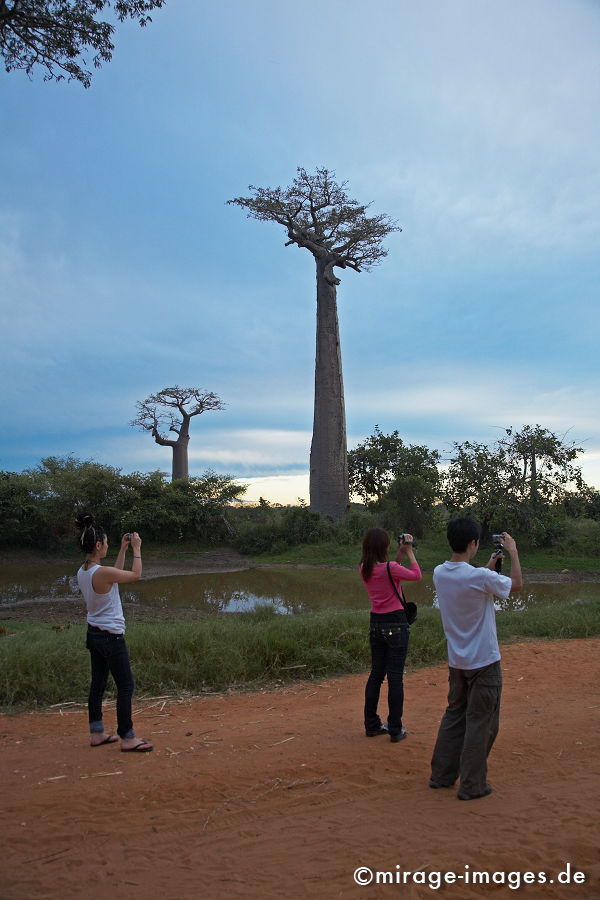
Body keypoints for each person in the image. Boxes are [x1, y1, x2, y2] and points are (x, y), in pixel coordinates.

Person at [430, 517, 522, 800]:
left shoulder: (439, 573)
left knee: (454, 716)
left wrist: (486, 569)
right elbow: (516, 584)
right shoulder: (480, 578)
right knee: (481, 723)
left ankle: (442, 775)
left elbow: (467, 579)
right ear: (473, 543)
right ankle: (472, 785)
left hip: (457, 662)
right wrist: (513, 552)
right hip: (484, 662)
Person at [76, 512, 153, 753]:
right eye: (107, 543)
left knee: (97, 684)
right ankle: (128, 738)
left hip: (94, 635)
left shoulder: (85, 571)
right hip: (111, 637)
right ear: (98, 545)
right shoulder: (102, 573)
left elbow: (113, 577)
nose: (107, 545)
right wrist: (137, 549)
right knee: (126, 686)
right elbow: (135, 575)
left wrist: (122, 549)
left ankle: (97, 733)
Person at [360, 527, 422, 742]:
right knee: (395, 677)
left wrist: (400, 554)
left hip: (376, 624)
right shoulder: (390, 568)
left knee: (376, 675)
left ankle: (371, 724)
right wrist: (410, 551)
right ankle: (395, 729)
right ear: (384, 547)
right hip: (396, 624)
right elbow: (416, 575)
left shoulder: (364, 569)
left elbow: (390, 574)